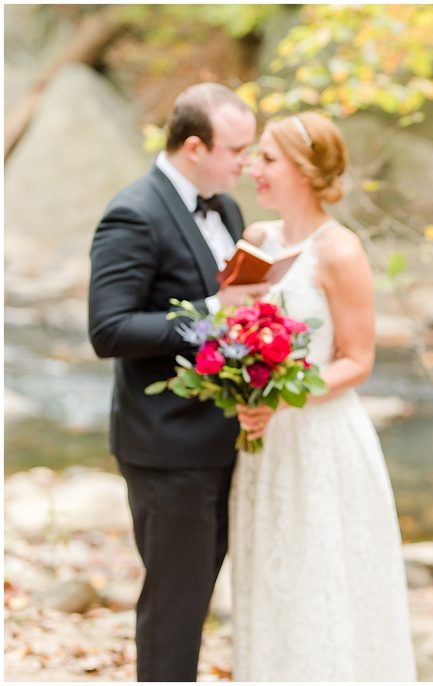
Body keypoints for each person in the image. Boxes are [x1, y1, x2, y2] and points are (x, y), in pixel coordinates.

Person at [229, 111, 417, 680]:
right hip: (262, 439)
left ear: (305, 170)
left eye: (266, 158)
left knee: (321, 576)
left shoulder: (340, 251)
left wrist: (280, 398)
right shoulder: (256, 239)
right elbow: (230, 330)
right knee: (268, 577)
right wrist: (238, 383)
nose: (251, 168)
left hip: (320, 438)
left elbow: (358, 361)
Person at [88, 83, 265, 681]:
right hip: (165, 445)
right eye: (237, 149)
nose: (246, 162)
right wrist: (211, 311)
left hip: (219, 438)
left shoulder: (228, 208)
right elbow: (108, 330)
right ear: (195, 146)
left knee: (197, 595)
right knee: (175, 603)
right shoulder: (133, 212)